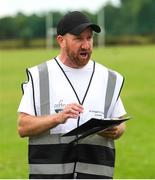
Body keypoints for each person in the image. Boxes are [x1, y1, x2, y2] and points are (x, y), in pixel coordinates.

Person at [17, 11, 126, 179]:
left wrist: (114, 130)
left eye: (89, 38)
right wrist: (57, 118)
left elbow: (120, 125)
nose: (86, 45)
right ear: (61, 41)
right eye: (78, 39)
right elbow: (23, 127)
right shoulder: (40, 76)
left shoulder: (108, 77)